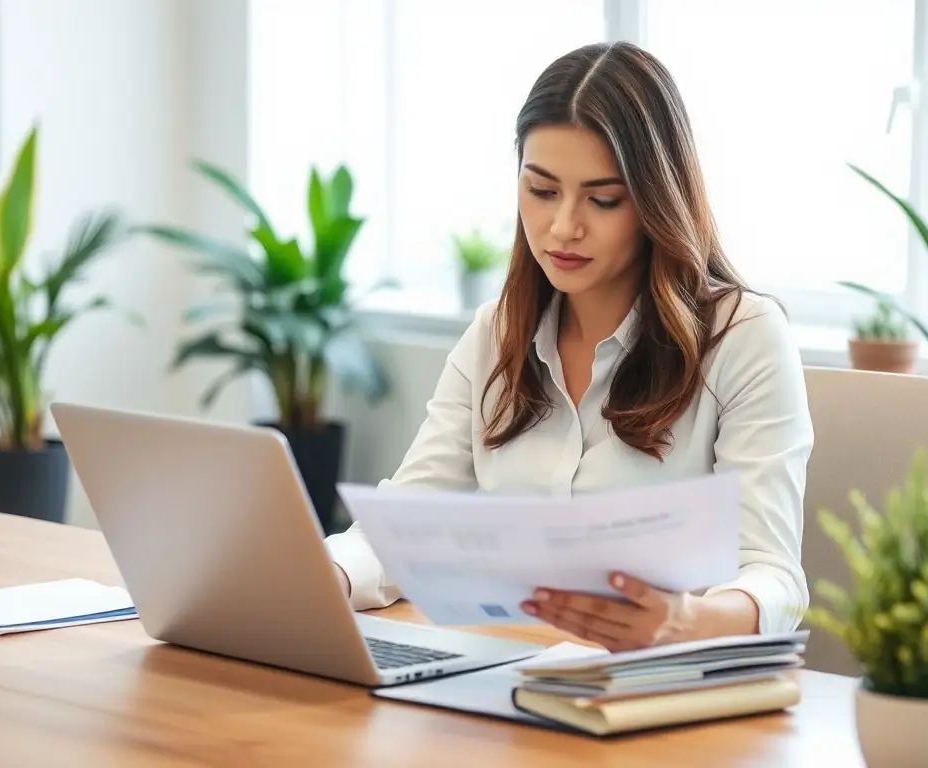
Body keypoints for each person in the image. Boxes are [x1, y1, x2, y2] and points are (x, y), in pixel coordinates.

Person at [325, 41, 813, 653]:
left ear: (657, 200)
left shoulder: (743, 336)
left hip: (659, 682)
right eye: (542, 190)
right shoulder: (496, 334)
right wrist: (327, 575)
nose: (563, 228)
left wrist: (689, 620)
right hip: (501, 673)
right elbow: (404, 525)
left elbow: (774, 575)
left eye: (603, 200)